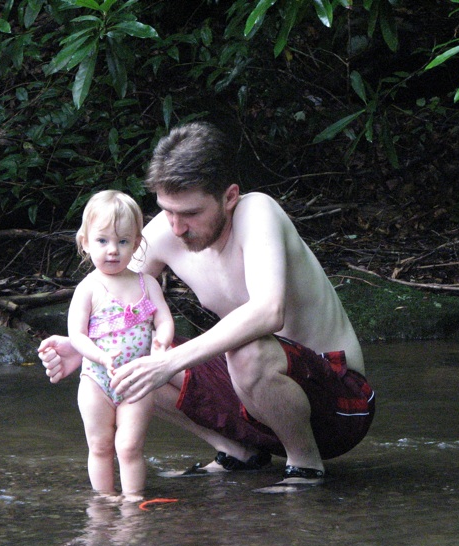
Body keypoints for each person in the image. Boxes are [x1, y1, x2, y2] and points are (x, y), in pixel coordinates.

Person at [39, 122, 374, 487]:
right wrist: (80, 345)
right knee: (133, 356)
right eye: (167, 211)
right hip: (253, 403)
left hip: (340, 404)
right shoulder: (166, 230)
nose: (176, 227)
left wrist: (169, 361)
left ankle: (305, 465)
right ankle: (237, 452)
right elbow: (111, 298)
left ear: (229, 197)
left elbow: (267, 311)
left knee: (243, 348)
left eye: (191, 214)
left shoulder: (257, 212)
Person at [62, 190, 174, 501]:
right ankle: (104, 499)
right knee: (100, 445)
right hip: (96, 380)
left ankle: (134, 499)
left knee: (129, 446)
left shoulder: (146, 284)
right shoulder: (88, 289)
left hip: (137, 380)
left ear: (137, 243)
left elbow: (163, 319)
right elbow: (77, 335)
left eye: (123, 242)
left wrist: (162, 339)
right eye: (103, 241)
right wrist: (99, 355)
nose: (113, 250)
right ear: (85, 241)